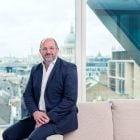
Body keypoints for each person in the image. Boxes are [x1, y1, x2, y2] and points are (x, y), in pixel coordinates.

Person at [2, 38, 78, 140]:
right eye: (44, 49)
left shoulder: (69, 68)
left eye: (51, 48)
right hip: (37, 116)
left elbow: (70, 100)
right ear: (40, 51)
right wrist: (35, 113)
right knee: (8, 134)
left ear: (57, 50)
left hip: (59, 118)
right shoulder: (35, 69)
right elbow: (27, 94)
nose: (48, 52)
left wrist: (48, 117)